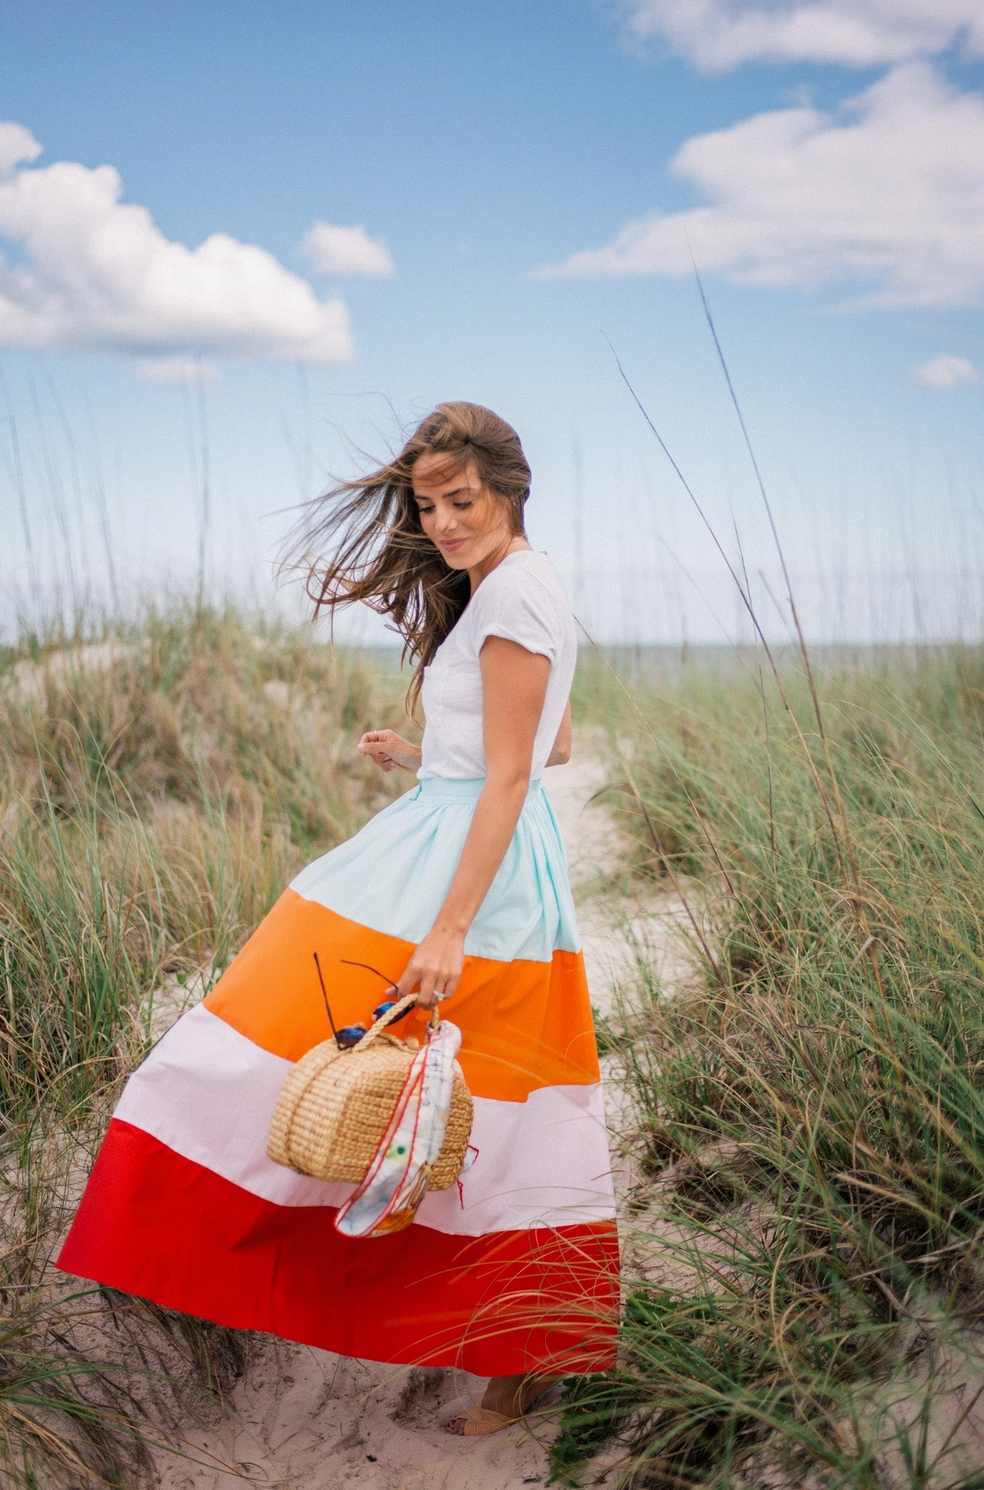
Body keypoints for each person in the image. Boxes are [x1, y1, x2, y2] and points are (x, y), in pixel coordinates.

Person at [58, 402, 619, 1437]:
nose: (445, 522)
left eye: (462, 499)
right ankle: (492, 1337)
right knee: (454, 1099)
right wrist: (426, 759)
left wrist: (447, 929)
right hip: (448, 836)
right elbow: (558, 743)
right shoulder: (502, 589)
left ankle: (516, 1356)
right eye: (429, 504)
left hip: (468, 875)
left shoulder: (520, 595)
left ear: (510, 487)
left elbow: (515, 777)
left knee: (472, 1107)